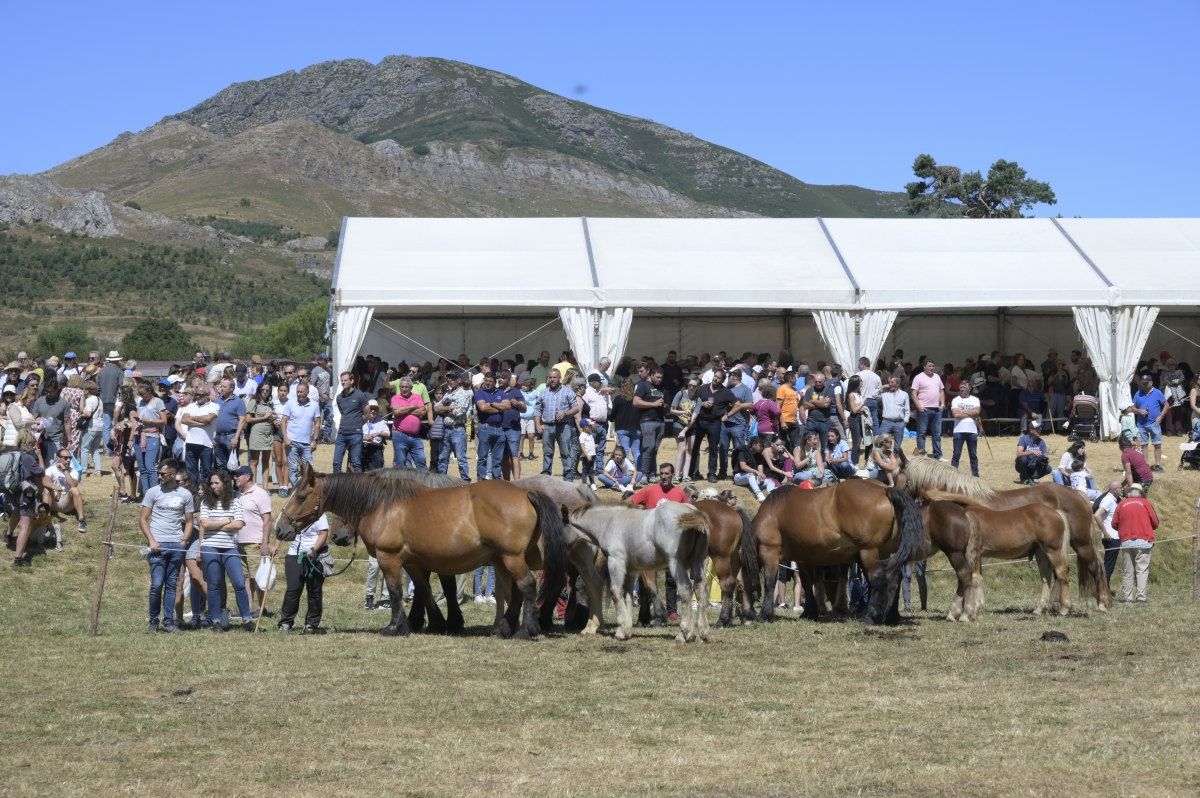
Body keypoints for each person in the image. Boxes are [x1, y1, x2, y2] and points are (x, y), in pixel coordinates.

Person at [139, 458, 194, 632]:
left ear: (172, 474)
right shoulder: (153, 492)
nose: (160, 476)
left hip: (176, 545)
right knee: (156, 584)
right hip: (158, 544)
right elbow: (142, 519)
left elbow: (190, 521)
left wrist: (184, 541)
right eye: (159, 473)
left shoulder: (185, 495)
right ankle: (153, 621)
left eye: (163, 474)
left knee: (172, 584)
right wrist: (152, 540)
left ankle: (168, 622)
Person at [197, 468, 250, 631]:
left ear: (224, 483)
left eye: (216, 483)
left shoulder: (235, 501)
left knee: (239, 583)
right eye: (211, 483)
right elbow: (204, 524)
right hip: (210, 546)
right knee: (214, 584)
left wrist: (216, 525)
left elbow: (239, 524)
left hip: (230, 547)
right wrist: (227, 521)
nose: (213, 486)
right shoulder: (206, 502)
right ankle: (216, 620)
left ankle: (247, 620)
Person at [279, 511, 331, 634]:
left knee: (314, 590)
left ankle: (311, 625)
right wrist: (276, 545)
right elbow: (282, 530)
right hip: (294, 555)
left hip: (316, 555)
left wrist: (313, 550)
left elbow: (323, 534)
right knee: (293, 589)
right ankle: (286, 623)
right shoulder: (294, 513)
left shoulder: (320, 516)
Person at [234, 465, 274, 619]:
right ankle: (248, 609)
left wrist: (264, 542)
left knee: (258, 577)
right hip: (239, 542)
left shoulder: (260, 494)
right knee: (244, 578)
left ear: (248, 476)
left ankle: (261, 608)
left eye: (238, 475)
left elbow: (267, 520)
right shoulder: (238, 495)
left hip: (254, 542)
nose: (235, 478)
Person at [1112, 483, 1159, 603]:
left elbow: (1114, 523)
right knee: (1142, 570)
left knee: (1128, 571)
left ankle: (1128, 598)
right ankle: (1141, 598)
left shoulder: (1121, 504)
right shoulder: (1145, 503)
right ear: (1140, 493)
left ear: (1129, 493)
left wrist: (1124, 529)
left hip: (1126, 541)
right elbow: (1155, 522)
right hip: (1143, 539)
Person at [534, 368, 580, 481]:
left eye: (555, 377)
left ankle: (568, 478)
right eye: (550, 377)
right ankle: (546, 477)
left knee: (565, 452)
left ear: (559, 378)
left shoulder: (567, 391)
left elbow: (576, 408)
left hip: (563, 426)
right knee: (547, 453)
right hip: (547, 426)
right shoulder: (544, 393)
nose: (552, 379)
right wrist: (537, 425)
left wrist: (565, 413)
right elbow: (537, 410)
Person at [7, 431, 45, 567]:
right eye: (33, 443)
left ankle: (8, 534)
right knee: (25, 525)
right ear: (29, 443)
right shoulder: (27, 458)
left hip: (12, 491)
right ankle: (18, 559)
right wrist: (39, 456)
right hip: (25, 493)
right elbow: (41, 472)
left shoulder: (12, 454)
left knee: (16, 512)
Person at [282, 383, 322, 491]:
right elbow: (283, 421)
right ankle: (297, 491)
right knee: (293, 469)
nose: (299, 394)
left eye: (301, 392)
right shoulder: (290, 404)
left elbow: (317, 423)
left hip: (307, 443)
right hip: (292, 442)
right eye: (297, 392)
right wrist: (285, 438)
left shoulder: (314, 405)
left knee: (308, 469)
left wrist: (315, 440)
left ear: (307, 392)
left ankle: (307, 490)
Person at [435, 371, 473, 482]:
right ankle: (442, 480)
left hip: (458, 428)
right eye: (449, 378)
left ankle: (465, 481)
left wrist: (446, 409)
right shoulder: (448, 394)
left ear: (459, 380)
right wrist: (450, 408)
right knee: (443, 457)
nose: (450, 380)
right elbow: (436, 408)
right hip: (446, 429)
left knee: (461, 458)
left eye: (453, 378)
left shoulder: (464, 394)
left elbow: (459, 412)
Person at [132, 380, 168, 496]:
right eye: (140, 394)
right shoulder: (141, 402)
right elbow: (138, 416)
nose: (142, 396)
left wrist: (150, 421)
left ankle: (154, 495)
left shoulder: (158, 402)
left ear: (149, 391)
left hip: (152, 436)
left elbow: (164, 421)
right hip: (139, 435)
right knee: (142, 468)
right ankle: (145, 495)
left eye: (143, 394)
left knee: (150, 467)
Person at [178, 385, 218, 488]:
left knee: (206, 471)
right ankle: (193, 493)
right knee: (191, 472)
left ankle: (206, 494)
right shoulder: (190, 406)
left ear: (207, 395)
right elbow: (184, 420)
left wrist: (193, 418)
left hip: (206, 444)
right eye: (196, 395)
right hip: (191, 442)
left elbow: (208, 419)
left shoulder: (214, 406)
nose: (198, 397)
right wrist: (201, 423)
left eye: (201, 395)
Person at [633, 367, 668, 482]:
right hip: (647, 420)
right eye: (657, 377)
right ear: (651, 375)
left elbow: (664, 403)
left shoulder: (662, 387)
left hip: (660, 421)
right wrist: (653, 404)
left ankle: (652, 474)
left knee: (655, 449)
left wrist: (665, 406)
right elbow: (636, 402)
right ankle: (643, 474)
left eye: (661, 378)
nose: (659, 380)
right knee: (648, 447)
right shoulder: (643, 385)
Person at [332, 371, 370, 474]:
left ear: (352, 381)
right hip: (342, 433)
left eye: (345, 380)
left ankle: (358, 488)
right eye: (342, 380)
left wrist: (358, 424)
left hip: (356, 434)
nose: (343, 382)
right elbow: (343, 412)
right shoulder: (339, 397)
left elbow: (367, 413)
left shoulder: (359, 395)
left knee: (356, 463)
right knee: (336, 463)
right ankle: (337, 486)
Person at [473, 371, 508, 481]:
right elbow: (483, 408)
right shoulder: (479, 392)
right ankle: (481, 480)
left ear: (495, 382)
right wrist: (499, 408)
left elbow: (507, 406)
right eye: (486, 381)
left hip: (499, 428)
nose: (487, 383)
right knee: (482, 457)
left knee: (497, 458)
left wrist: (492, 405)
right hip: (485, 427)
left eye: (490, 381)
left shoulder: (501, 393)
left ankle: (496, 479)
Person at [43, 448, 87, 533]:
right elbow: (45, 481)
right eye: (65, 458)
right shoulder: (51, 469)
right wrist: (53, 486)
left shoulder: (73, 471)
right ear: (58, 458)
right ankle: (46, 521)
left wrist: (65, 471)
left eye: (70, 458)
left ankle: (81, 520)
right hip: (53, 501)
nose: (68, 460)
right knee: (46, 489)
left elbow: (73, 485)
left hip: (65, 503)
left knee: (75, 490)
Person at [1132, 373, 1167, 472]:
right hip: (1141, 424)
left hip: (1154, 423)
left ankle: (1158, 465)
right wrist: (1139, 411)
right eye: (1142, 383)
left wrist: (1161, 416)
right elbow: (1132, 407)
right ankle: (1145, 465)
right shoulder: (1138, 393)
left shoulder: (1157, 392)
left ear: (1151, 383)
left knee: (1157, 444)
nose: (1144, 385)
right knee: (1143, 445)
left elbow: (1166, 405)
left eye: (1146, 383)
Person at [31, 377, 70, 466]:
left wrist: (69, 440)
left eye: (50, 391)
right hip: (40, 439)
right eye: (46, 391)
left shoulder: (64, 403)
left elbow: (67, 422)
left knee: (53, 466)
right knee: (40, 465)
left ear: (57, 390)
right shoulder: (40, 401)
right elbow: (34, 417)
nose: (48, 394)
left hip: (55, 440)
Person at [910, 359, 945, 460]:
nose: (931, 368)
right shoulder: (918, 377)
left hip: (937, 409)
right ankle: (922, 455)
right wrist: (919, 406)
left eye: (933, 366)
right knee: (922, 433)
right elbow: (913, 393)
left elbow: (941, 391)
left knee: (937, 434)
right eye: (929, 366)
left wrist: (942, 403)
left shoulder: (937, 377)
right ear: (924, 366)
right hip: (924, 409)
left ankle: (938, 455)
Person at [244, 382, 276, 485]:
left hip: (268, 434)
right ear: (259, 390)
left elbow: (269, 417)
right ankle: (253, 486)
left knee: (266, 462)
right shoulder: (254, 401)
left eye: (267, 390)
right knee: (254, 461)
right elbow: (248, 419)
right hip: (256, 434)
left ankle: (265, 487)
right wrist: (264, 417)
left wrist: (273, 418)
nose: (265, 392)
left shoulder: (270, 403)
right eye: (263, 390)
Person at [1093, 481, 1123, 586]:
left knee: (1109, 566)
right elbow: (1097, 515)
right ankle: (1104, 591)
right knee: (1108, 567)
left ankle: (1104, 590)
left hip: (1114, 537)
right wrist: (1105, 533)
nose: (1122, 489)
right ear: (1115, 490)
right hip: (1111, 537)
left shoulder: (1113, 500)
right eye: (1121, 487)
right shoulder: (1108, 500)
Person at [949, 381, 981, 477]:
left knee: (973, 455)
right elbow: (956, 414)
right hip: (958, 430)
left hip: (972, 431)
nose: (962, 389)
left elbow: (977, 413)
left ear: (969, 388)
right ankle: (952, 475)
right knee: (956, 454)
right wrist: (971, 412)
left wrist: (962, 411)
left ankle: (975, 476)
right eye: (961, 387)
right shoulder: (955, 400)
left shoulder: (975, 399)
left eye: (964, 387)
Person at [671, 378, 700, 480]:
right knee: (681, 449)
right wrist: (683, 412)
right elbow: (672, 410)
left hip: (690, 426)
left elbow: (694, 418)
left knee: (689, 450)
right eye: (690, 385)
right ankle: (676, 475)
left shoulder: (698, 399)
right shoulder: (681, 394)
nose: (691, 387)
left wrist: (684, 431)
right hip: (678, 424)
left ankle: (686, 475)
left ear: (697, 388)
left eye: (694, 386)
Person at [731, 436, 772, 501]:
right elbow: (743, 466)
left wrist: (761, 475)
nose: (762, 447)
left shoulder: (759, 454)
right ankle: (759, 494)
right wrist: (756, 472)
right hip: (739, 476)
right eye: (760, 445)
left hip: (752, 477)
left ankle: (771, 495)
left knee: (770, 482)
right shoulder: (743, 451)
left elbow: (760, 467)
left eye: (762, 446)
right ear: (753, 444)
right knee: (750, 475)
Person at [98, 350, 123, 450]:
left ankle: (107, 449)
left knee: (106, 425)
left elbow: (98, 386)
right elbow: (122, 386)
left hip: (104, 400)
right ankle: (117, 447)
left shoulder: (101, 371)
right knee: (117, 423)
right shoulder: (119, 372)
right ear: (117, 361)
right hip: (116, 401)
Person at [878, 377, 910, 452]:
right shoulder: (884, 394)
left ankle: (895, 461)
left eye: (892, 382)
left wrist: (905, 422)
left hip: (899, 423)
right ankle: (882, 461)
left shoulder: (904, 394)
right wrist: (882, 387)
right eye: (889, 382)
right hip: (886, 422)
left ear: (898, 384)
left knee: (897, 446)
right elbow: (873, 395)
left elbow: (907, 409)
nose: (889, 384)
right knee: (882, 443)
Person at [360, 400, 391, 470]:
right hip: (361, 446)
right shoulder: (360, 419)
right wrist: (363, 437)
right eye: (371, 409)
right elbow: (353, 433)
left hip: (375, 446)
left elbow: (388, 434)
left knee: (377, 464)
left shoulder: (381, 421)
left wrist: (378, 434)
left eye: (375, 409)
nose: (373, 411)